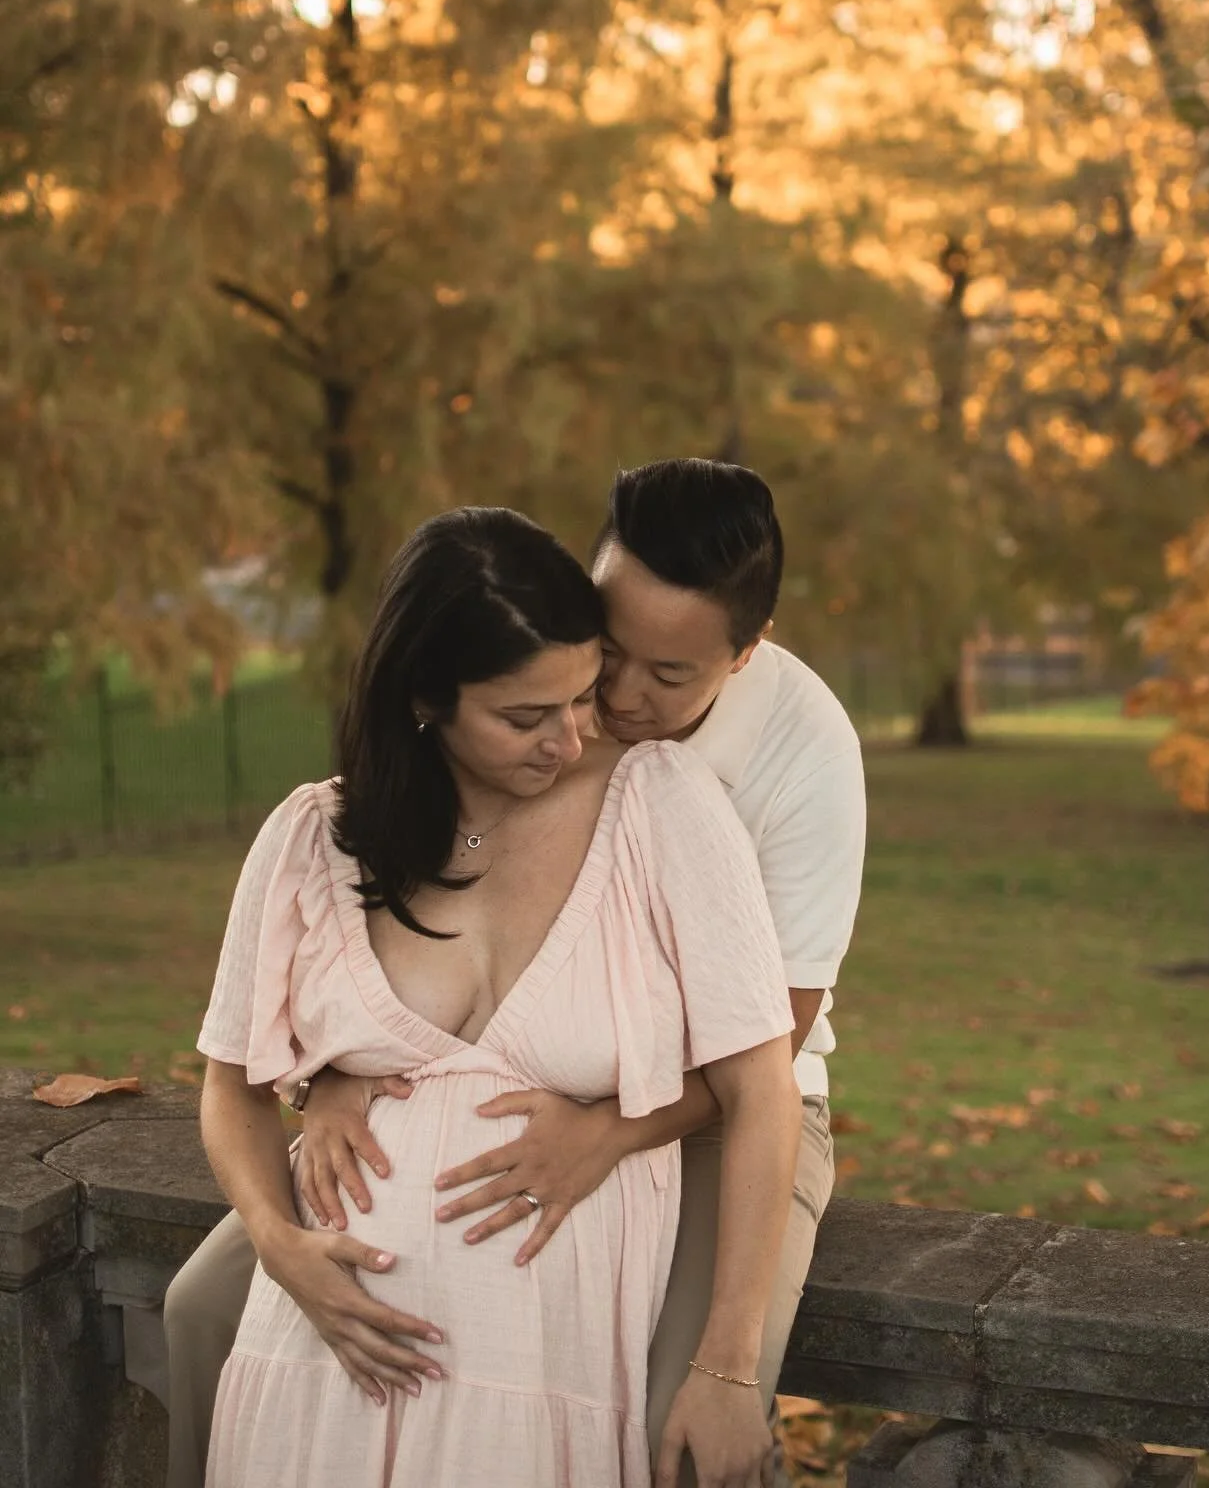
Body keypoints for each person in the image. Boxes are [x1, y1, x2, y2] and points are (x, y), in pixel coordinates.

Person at [166, 460, 867, 1488]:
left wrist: (606, 1135)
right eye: (602, 662)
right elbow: (278, 1042)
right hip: (371, 1299)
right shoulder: (346, 817)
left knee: (694, 1415)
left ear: (743, 653)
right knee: (196, 1311)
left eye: (665, 678)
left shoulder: (784, 757)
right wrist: (328, 1081)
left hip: (705, 1109)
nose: (614, 707)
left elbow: (769, 1053)